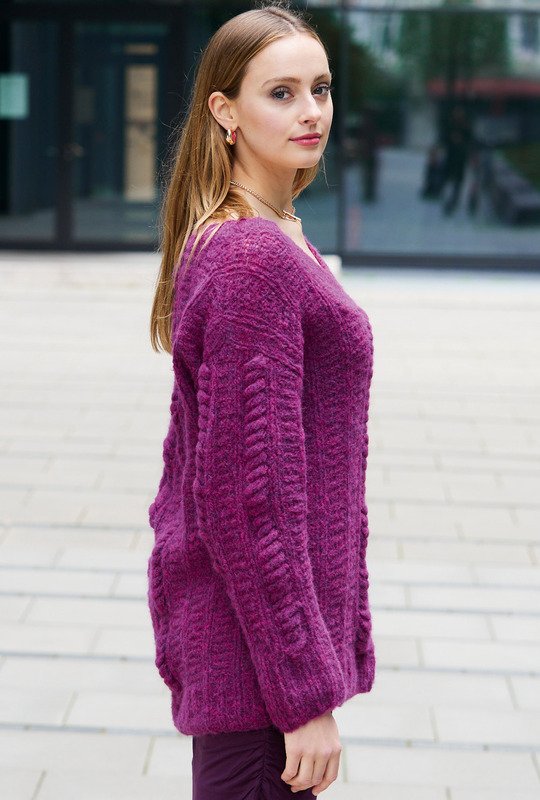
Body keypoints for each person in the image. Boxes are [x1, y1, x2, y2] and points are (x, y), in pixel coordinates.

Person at [147, 3, 376, 797]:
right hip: (261, 685)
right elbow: (247, 498)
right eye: (281, 93)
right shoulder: (252, 257)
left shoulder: (271, 233)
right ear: (226, 111)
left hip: (258, 665)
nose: (311, 110)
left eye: (321, 88)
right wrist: (303, 694)